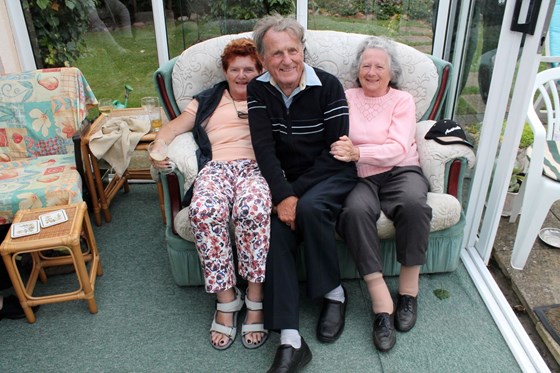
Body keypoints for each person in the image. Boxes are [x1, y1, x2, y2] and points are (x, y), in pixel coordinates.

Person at [247, 15, 358, 372]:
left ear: (303, 51)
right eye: (276, 53)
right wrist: (282, 196)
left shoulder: (327, 86)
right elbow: (264, 150)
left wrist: (291, 195)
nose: (286, 60)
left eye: (292, 50)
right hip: (287, 181)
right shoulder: (258, 90)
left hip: (330, 172)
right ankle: (291, 339)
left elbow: (336, 150)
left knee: (308, 208)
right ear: (263, 59)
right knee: (275, 229)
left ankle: (334, 294)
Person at [150, 38, 272, 351]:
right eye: (235, 70)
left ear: (260, 71)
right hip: (217, 167)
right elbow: (173, 128)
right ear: (225, 71)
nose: (242, 75)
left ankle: (255, 298)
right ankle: (227, 300)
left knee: (254, 210)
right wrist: (157, 147)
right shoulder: (207, 99)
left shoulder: (270, 95)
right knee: (203, 211)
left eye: (249, 69)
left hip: (257, 169)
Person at [332, 36, 432, 352]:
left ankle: (408, 293)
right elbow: (336, 137)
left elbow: (398, 148)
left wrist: (358, 152)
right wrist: (349, 154)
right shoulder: (345, 96)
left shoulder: (401, 101)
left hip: (401, 169)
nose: (372, 72)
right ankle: (381, 303)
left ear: (392, 73)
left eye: (379, 66)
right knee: (354, 212)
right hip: (359, 176)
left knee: (414, 204)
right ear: (357, 70)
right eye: (366, 65)